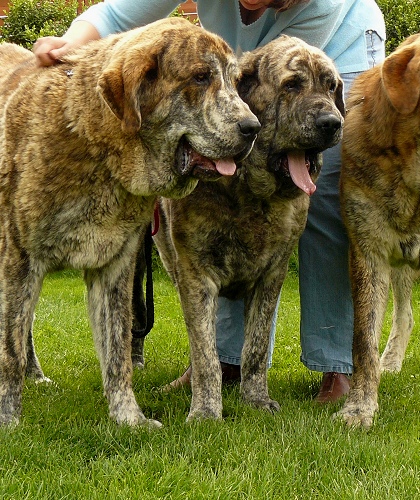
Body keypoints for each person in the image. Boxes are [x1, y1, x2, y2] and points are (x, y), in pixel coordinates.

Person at [33, 0, 386, 403]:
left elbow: (279, 72)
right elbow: (120, 12)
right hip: (236, 70)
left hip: (326, 58)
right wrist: (69, 43)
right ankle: (225, 360)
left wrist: (219, 93)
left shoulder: (323, 7)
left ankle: (338, 364)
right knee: (217, 187)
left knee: (322, 201)